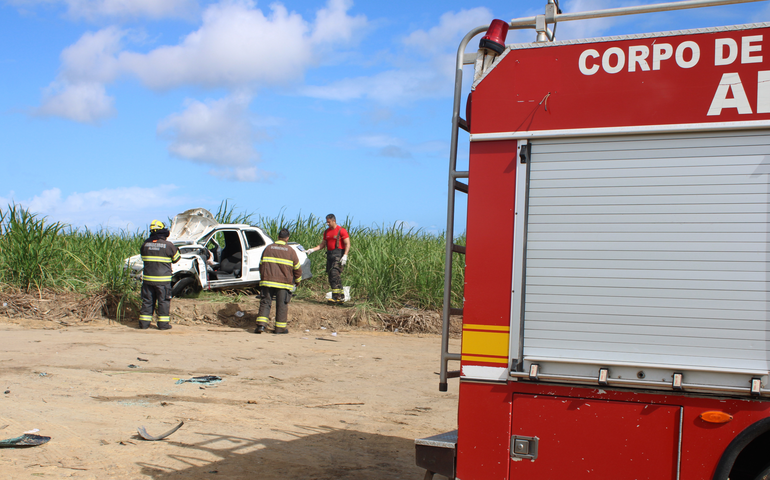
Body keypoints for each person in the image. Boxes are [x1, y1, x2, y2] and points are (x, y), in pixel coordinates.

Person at [255, 228, 302, 334]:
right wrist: (298, 281)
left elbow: (261, 265)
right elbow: (297, 269)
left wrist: (263, 277)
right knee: (282, 305)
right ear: (287, 238)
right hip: (284, 284)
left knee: (265, 302)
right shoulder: (291, 251)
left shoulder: (268, 248)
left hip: (267, 282)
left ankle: (261, 326)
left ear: (278, 237)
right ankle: (279, 329)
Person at [139, 220, 181, 330]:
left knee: (147, 301)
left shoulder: (145, 245)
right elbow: (176, 259)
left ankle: (144, 324)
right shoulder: (168, 246)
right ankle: (163, 325)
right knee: (163, 302)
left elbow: (143, 258)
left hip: (148, 281)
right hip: (163, 281)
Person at [305, 214, 350, 303]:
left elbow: (347, 244)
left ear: (334, 221)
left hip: (338, 255)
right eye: (327, 222)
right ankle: (340, 297)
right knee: (331, 276)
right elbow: (322, 245)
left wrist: (345, 255)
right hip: (330, 255)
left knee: (334, 274)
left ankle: (336, 297)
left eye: (329, 222)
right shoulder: (326, 232)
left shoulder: (341, 231)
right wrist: (312, 250)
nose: (327, 223)